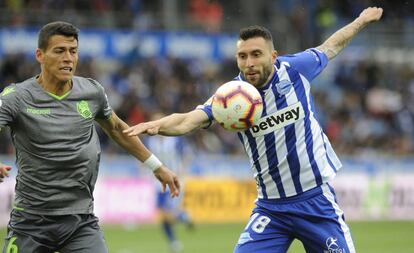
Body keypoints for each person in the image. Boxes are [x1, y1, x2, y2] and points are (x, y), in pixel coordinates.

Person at [124, 7, 383, 253]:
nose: (249, 63)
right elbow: (190, 119)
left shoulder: (296, 70)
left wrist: (361, 20)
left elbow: (331, 46)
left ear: (273, 55)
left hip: (315, 201)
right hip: (271, 209)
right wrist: (158, 125)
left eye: (256, 54)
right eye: (242, 56)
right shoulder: (231, 97)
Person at [0, 21, 180, 253]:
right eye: (59, 51)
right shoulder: (16, 97)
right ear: (40, 55)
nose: (68, 58)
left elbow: (116, 129)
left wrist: (156, 166)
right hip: (31, 222)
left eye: (73, 51)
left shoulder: (91, 92)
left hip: (80, 221)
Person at [145, 113, 194, 253]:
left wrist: (183, 171)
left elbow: (187, 155)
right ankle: (174, 239)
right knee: (162, 215)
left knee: (169, 214)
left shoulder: (175, 140)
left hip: (175, 179)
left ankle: (182, 217)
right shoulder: (150, 141)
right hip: (157, 183)